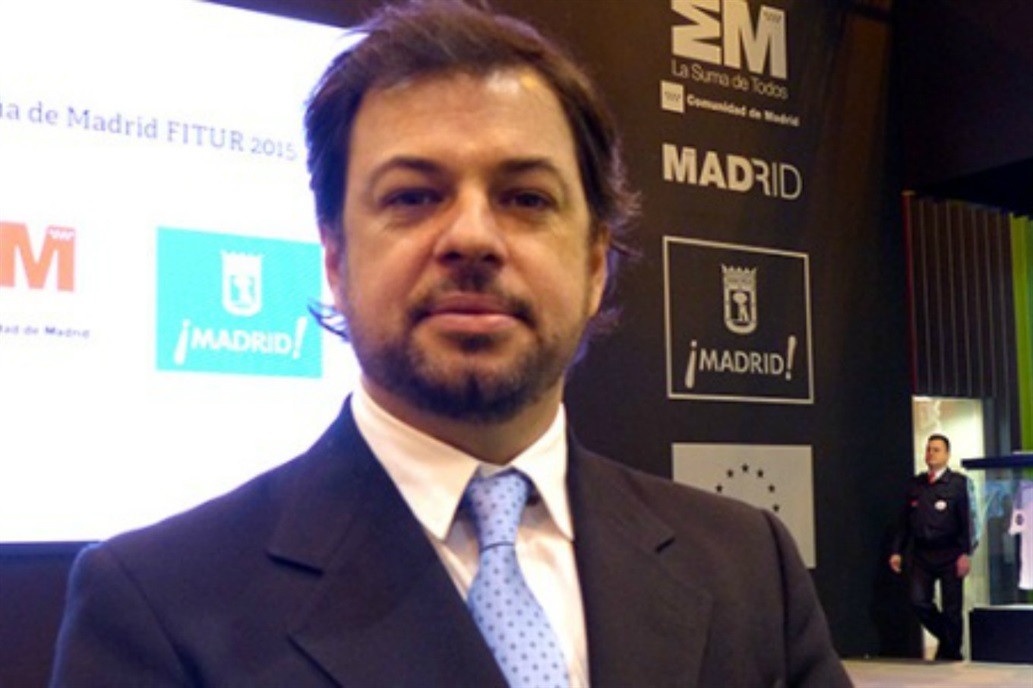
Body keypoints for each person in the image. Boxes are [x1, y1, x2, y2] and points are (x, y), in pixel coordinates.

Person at [49, 2, 851, 686]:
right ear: (334, 258)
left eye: (525, 198)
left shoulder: (747, 567)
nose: (471, 236)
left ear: (595, 264)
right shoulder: (158, 605)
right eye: (412, 196)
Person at [889, 433, 973, 661]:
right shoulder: (916, 485)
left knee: (952, 608)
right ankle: (948, 639)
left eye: (936, 450)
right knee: (918, 601)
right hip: (922, 554)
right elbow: (904, 522)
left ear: (947, 454)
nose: (931, 454)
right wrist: (897, 551)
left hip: (950, 553)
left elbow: (968, 520)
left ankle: (952, 654)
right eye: (928, 449)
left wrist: (966, 553)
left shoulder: (958, 484)